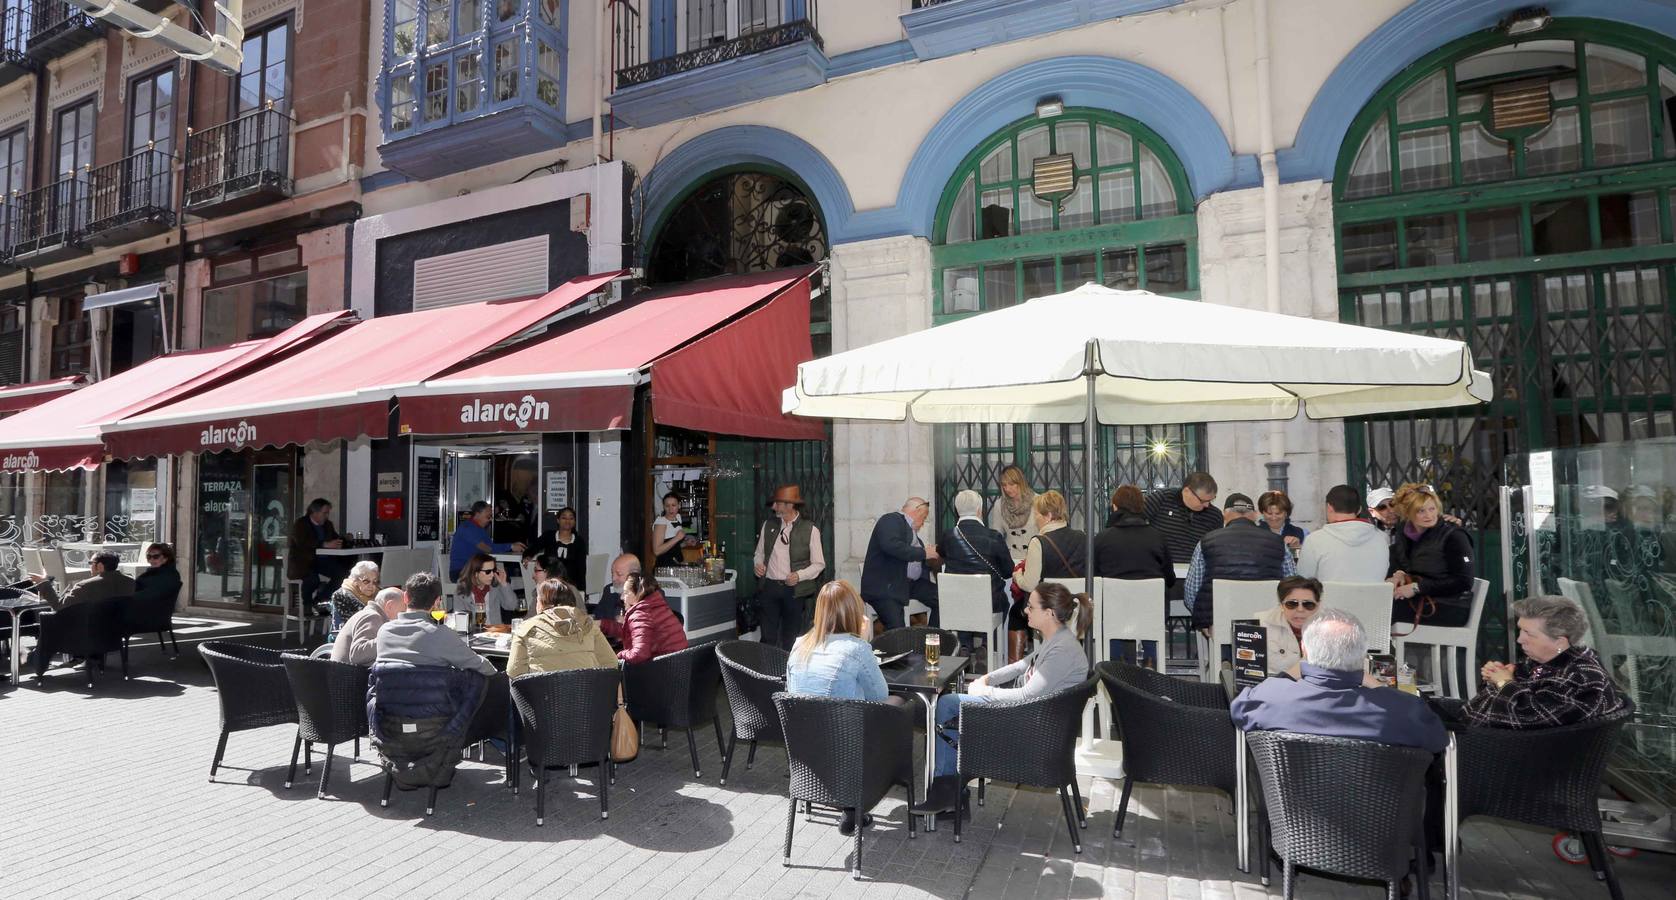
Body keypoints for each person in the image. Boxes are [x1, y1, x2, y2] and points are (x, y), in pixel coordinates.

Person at [920, 583, 1092, 813]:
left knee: (948, 704)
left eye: (1031, 607)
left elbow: (1026, 696)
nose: (1025, 611)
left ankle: (947, 790)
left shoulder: (1062, 650)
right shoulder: (1057, 639)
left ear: (1049, 613)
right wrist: (987, 679)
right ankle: (950, 788)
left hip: (1029, 728)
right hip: (1035, 718)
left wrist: (984, 692)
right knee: (953, 706)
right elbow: (1021, 666)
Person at [1230, 608, 1447, 754]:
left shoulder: (1270, 698)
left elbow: (1240, 711)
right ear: (1363, 655)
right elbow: (1438, 740)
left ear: (1304, 649)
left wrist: (1289, 674)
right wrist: (1380, 687)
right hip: (1383, 818)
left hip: (1290, 819)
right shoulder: (1405, 710)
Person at [785, 579, 891, 837]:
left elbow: (791, 692)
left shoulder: (799, 644)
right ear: (854, 612)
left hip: (804, 749)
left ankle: (845, 804)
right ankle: (854, 802)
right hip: (846, 748)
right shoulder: (856, 648)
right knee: (894, 708)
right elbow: (880, 695)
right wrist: (864, 639)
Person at [1462, 595, 1629, 729]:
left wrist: (1503, 682)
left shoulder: (1582, 678)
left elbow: (1529, 714)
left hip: (1511, 757)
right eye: (1521, 630)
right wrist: (1496, 677)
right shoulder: (1544, 661)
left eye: (1529, 634)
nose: (1520, 639)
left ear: (1560, 642)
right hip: (1483, 740)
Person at [1183, 493, 1295, 633]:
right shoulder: (1279, 543)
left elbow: (1191, 590)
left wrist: (1204, 619)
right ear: (1254, 515)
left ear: (1225, 514)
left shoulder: (1206, 541)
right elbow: (1291, 585)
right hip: (1267, 624)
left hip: (1219, 623)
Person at [1387, 483, 1475, 630]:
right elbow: (1417, 567)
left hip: (1450, 605)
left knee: (1384, 611)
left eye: (1432, 509)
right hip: (1425, 599)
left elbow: (1463, 581)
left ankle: (1376, 651)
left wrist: (1416, 588)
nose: (1429, 515)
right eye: (1421, 511)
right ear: (1408, 513)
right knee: (1377, 604)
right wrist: (1401, 574)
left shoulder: (1454, 536)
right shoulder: (1407, 535)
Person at [373, 572, 497, 676]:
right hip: (437, 704)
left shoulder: (384, 631)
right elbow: (482, 666)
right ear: (437, 601)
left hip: (388, 703)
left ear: (405, 597)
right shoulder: (440, 634)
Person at [1013, 490, 1085, 662]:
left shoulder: (1039, 542)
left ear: (1048, 515)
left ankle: (1019, 666)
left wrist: (1017, 576)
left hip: (1050, 613)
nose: (1035, 519)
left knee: (1014, 613)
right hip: (1077, 609)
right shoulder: (1082, 537)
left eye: (1036, 514)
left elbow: (1030, 584)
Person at [751, 484, 826, 650]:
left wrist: (799, 575)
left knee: (790, 637)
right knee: (767, 637)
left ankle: (788, 672)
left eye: (777, 503)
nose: (773, 507)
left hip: (793, 591)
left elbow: (819, 564)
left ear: (790, 505)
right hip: (769, 587)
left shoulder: (810, 530)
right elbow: (759, 553)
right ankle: (766, 672)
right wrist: (758, 564)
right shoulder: (768, 525)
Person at [506, 578, 617, 679]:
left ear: (540, 603)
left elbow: (514, 671)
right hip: (587, 697)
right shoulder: (588, 624)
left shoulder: (526, 628)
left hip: (544, 698)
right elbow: (611, 662)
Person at [860, 497, 940, 632]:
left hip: (909, 584)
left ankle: (929, 642)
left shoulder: (913, 534)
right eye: (924, 517)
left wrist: (931, 556)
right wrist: (924, 553)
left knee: (943, 599)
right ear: (918, 510)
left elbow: (916, 556)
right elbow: (892, 546)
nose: (923, 523)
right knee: (897, 629)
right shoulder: (891, 520)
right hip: (886, 586)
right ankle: (895, 651)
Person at [1145, 473, 1223, 601]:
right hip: (1159, 577)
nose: (1207, 505)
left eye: (1210, 500)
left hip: (1196, 580)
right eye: (1203, 500)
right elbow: (1137, 525)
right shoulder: (1161, 499)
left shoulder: (1214, 516)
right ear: (1187, 491)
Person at [938, 489, 1015, 615]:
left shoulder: (948, 536)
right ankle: (990, 635)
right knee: (1004, 603)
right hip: (989, 605)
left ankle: (962, 635)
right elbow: (1008, 572)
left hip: (956, 602)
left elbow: (940, 553)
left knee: (963, 616)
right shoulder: (993, 537)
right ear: (979, 510)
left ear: (957, 511)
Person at [1296, 484, 1389, 584]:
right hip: (1373, 599)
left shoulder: (1314, 540)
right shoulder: (1382, 538)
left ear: (1329, 508)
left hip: (1330, 599)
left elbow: (1303, 582)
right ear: (1359, 509)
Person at [1092, 484, 1176, 587]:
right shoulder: (1158, 537)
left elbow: (1094, 576)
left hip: (1113, 599)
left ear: (1114, 507)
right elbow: (1170, 579)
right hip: (1151, 600)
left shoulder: (1102, 538)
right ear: (1141, 506)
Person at [604, 571, 689, 664]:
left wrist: (619, 655)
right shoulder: (658, 607)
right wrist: (603, 624)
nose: (621, 597)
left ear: (638, 594)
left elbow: (639, 654)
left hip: (661, 672)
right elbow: (634, 631)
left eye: (626, 593)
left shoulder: (640, 614)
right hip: (679, 667)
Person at [1260, 576, 1325, 676]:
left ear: (1318, 606)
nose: (1300, 609)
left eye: (1308, 604)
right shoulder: (1260, 625)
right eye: (1292, 604)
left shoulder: (1332, 629)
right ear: (1281, 605)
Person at [287, 498, 344, 608]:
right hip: (304, 562)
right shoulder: (301, 524)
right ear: (314, 512)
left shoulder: (327, 525)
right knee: (312, 580)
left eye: (328, 513)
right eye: (325, 513)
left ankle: (320, 599)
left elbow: (334, 537)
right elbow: (303, 542)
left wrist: (342, 540)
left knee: (343, 574)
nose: (327, 516)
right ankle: (307, 606)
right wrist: (324, 544)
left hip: (323, 561)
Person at [448, 500, 525, 581]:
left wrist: (511, 545)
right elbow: (487, 548)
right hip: (461, 572)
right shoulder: (467, 528)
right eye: (488, 517)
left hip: (474, 569)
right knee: (499, 579)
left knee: (502, 577)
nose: (490, 519)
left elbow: (490, 548)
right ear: (477, 514)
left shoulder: (480, 529)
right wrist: (511, 546)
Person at [30, 552, 136, 609]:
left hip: (87, 631)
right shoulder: (131, 582)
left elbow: (59, 606)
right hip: (118, 630)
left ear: (99, 566)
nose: (89, 566)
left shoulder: (85, 586)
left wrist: (44, 583)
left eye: (91, 563)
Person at [332, 587, 406, 665]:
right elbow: (358, 654)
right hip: (348, 674)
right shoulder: (373, 616)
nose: (402, 617)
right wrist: (391, 638)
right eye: (402, 611)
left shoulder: (368, 614)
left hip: (342, 673)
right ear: (390, 606)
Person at [987, 464, 1038, 562]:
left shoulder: (1037, 501)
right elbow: (997, 536)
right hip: (1010, 559)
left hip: (1034, 558)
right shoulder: (999, 505)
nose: (1008, 489)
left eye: (1011, 484)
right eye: (1004, 485)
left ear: (1020, 483)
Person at [528, 506, 587, 589]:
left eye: (571, 518)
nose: (567, 521)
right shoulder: (549, 536)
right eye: (564, 518)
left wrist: (581, 591)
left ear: (574, 522)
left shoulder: (579, 542)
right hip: (549, 584)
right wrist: (527, 556)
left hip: (570, 586)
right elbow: (534, 548)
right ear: (558, 520)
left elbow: (581, 569)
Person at [453, 552, 519, 626]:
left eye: (493, 570)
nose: (492, 575)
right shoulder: (462, 590)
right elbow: (460, 621)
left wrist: (504, 584)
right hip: (472, 633)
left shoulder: (494, 587)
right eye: (488, 572)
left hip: (495, 632)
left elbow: (512, 606)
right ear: (476, 573)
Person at [328, 560, 381, 631]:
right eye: (366, 581)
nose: (371, 586)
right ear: (355, 580)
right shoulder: (342, 595)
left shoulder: (380, 593)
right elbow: (356, 623)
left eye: (374, 581)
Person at [134, 542, 182, 609]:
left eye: (156, 557)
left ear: (165, 558)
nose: (151, 560)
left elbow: (152, 595)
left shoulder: (168, 575)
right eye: (149, 557)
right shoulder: (151, 573)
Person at [651, 492, 687, 570]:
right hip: (664, 567)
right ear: (664, 507)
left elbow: (672, 546)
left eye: (673, 505)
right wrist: (677, 538)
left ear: (679, 505)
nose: (670, 509)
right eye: (667, 506)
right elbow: (657, 551)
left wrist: (686, 543)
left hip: (676, 566)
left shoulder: (678, 517)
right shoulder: (661, 522)